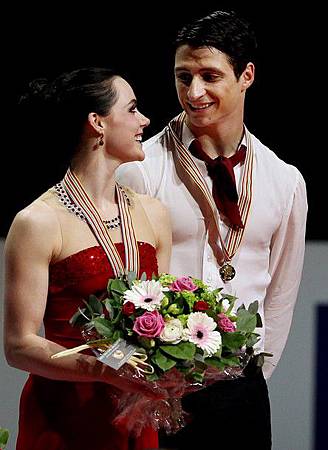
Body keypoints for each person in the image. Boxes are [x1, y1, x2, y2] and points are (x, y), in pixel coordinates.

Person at [116, 9, 308, 450]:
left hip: (240, 392)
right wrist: (137, 377)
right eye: (184, 77)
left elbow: (280, 294)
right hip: (156, 389)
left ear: (246, 76)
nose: (194, 92)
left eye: (209, 76)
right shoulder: (141, 170)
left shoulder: (284, 181)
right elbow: (119, 288)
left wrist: (251, 376)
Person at [3, 67, 172, 450]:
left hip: (134, 413)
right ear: (97, 122)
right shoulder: (38, 222)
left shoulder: (154, 213)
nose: (144, 120)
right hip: (64, 418)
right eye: (132, 109)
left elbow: (165, 319)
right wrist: (106, 369)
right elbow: (18, 345)